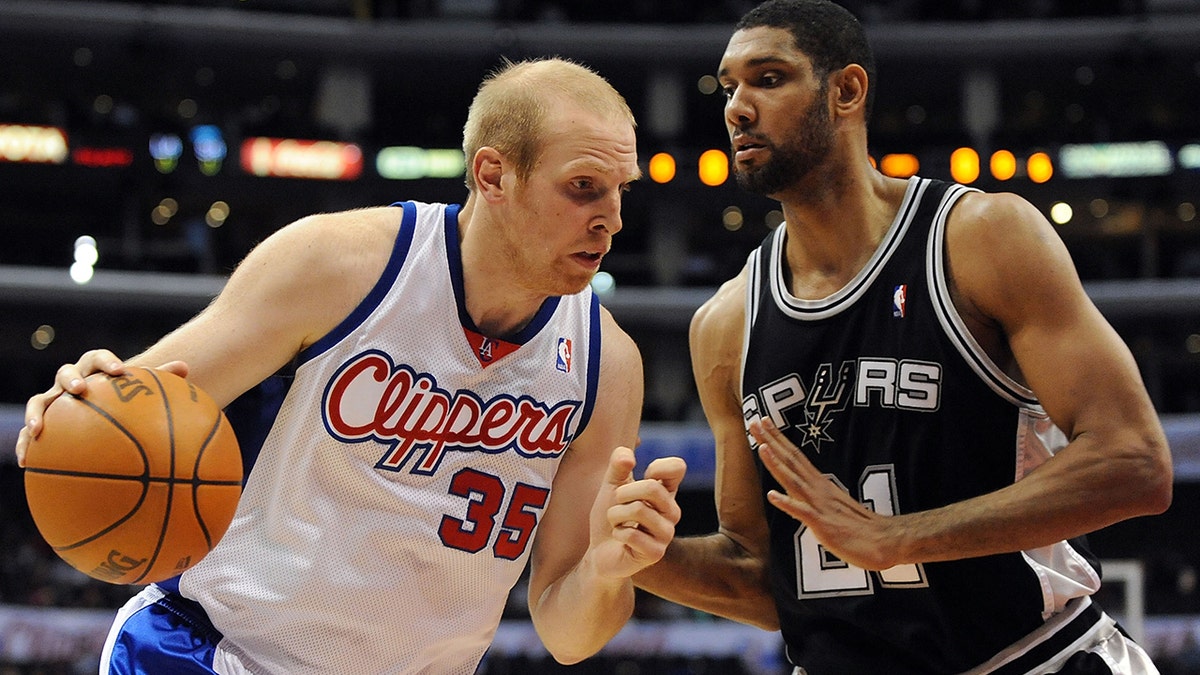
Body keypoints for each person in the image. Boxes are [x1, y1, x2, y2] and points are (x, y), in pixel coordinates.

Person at [15, 57, 687, 674]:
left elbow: (569, 633)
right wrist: (87, 397)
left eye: (619, 190)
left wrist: (605, 570)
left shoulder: (608, 364)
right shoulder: (339, 266)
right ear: (493, 175)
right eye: (583, 188)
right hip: (217, 653)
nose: (612, 219)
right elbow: (133, 407)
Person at [633, 1, 1174, 673]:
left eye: (768, 79)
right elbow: (770, 579)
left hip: (1034, 657)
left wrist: (895, 537)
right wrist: (646, 556)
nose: (737, 108)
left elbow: (1135, 463)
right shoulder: (724, 324)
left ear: (847, 91)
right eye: (729, 86)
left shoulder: (980, 239)